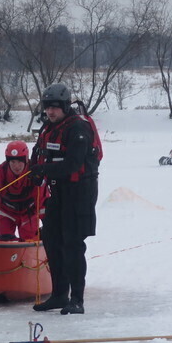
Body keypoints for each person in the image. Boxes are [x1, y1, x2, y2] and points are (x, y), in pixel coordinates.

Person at [29, 83, 101, 315]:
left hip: (80, 192)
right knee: (51, 240)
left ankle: (77, 299)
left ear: (65, 106)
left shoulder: (78, 128)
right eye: (47, 107)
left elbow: (73, 164)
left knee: (72, 244)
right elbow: (38, 153)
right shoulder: (47, 128)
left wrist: (44, 170)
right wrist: (35, 171)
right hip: (57, 191)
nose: (50, 112)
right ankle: (59, 294)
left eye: (55, 108)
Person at [0, 140, 48, 241]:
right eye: (12, 162)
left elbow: (42, 198)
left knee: (30, 241)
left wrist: (47, 223)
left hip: (28, 213)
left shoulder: (35, 174)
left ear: (26, 160)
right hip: (5, 212)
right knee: (5, 240)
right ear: (8, 161)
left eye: (19, 161)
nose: (16, 166)